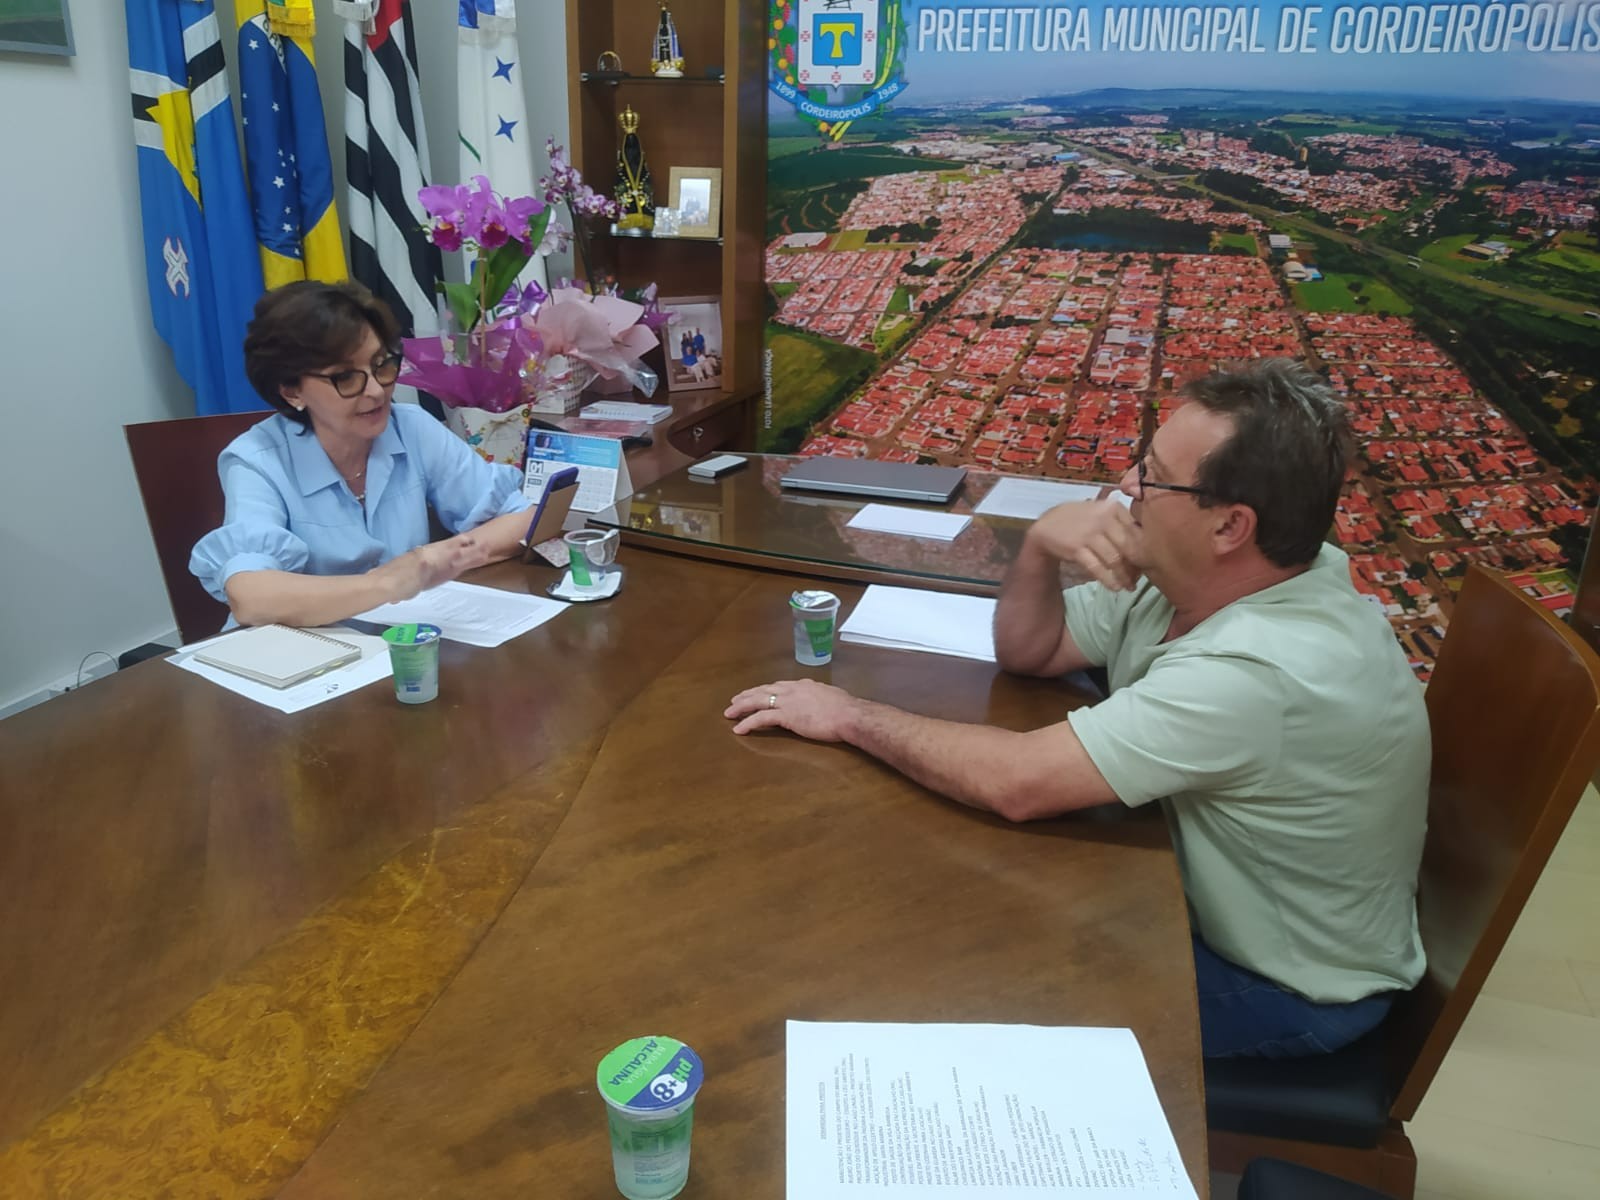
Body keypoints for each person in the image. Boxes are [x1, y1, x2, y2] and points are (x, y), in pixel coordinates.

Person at [725, 360, 1429, 1059]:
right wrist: (1037, 547)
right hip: (1202, 898)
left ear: (1229, 527)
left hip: (1286, 986)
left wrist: (848, 715)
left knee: (956, 991)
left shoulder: (1262, 667)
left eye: (1152, 476)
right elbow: (1034, 648)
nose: (1127, 487)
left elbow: (1020, 783)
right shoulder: (1211, 574)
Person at [190, 281, 536, 629]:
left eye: (381, 365)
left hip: (399, 647)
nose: (375, 391)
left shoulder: (411, 427)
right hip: (302, 659)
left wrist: (436, 563)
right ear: (292, 390)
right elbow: (251, 598)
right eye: (345, 377)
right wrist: (389, 581)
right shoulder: (256, 461)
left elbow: (520, 517)